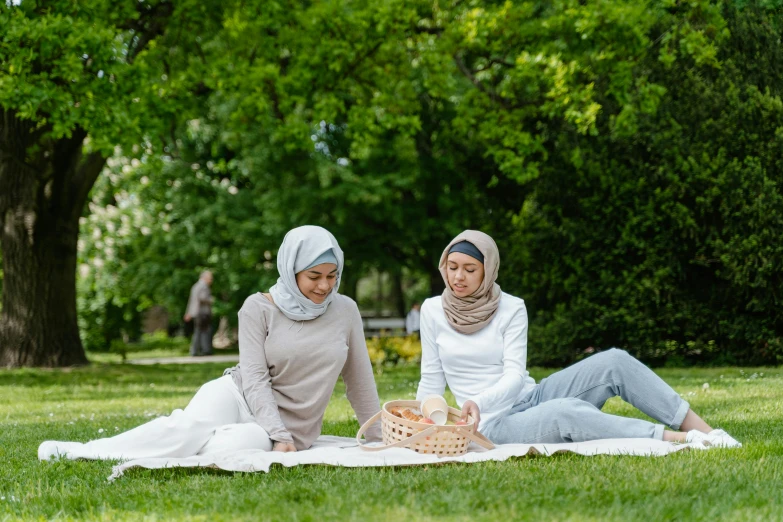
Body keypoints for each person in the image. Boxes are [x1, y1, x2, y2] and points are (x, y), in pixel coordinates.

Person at [39, 226, 382, 461]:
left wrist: (381, 436)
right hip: (237, 395)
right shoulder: (257, 307)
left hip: (293, 428)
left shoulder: (345, 310)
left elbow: (360, 382)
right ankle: (82, 450)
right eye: (314, 276)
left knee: (231, 447)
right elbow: (254, 376)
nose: (325, 286)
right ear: (291, 269)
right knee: (186, 429)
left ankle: (192, 442)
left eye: (332, 275)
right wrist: (277, 434)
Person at [416, 230, 741, 448]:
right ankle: (682, 440)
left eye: (470, 269)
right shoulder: (432, 311)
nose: (458, 277)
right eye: (453, 267)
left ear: (488, 270)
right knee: (564, 412)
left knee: (614, 361)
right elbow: (430, 382)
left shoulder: (511, 307)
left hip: (530, 396)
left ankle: (709, 431)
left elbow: (515, 376)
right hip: (491, 424)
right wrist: (427, 417)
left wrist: (480, 398)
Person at [184, 270, 214, 356]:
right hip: (202, 312)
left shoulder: (195, 286)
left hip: (196, 313)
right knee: (203, 331)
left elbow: (191, 301)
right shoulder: (203, 286)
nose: (211, 281)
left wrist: (188, 313)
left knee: (199, 331)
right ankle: (203, 350)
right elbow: (202, 298)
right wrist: (211, 299)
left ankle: (198, 350)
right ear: (205, 278)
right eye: (210, 278)